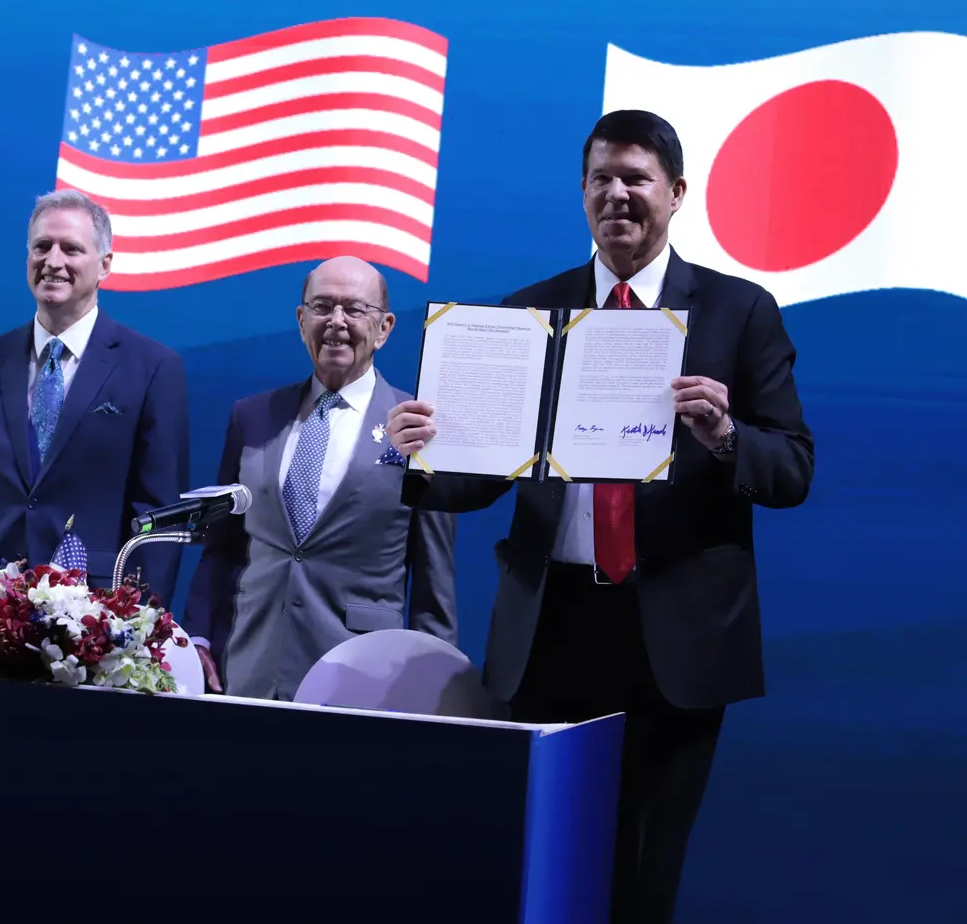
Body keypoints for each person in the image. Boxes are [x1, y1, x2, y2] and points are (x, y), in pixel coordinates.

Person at [386, 110, 813, 923]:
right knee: (541, 866)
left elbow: (792, 468)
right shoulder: (529, 312)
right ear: (582, 193)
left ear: (676, 193)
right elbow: (477, 481)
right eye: (601, 180)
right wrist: (420, 454)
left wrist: (726, 436)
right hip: (549, 628)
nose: (617, 194)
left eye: (636, 179)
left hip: (674, 635)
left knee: (644, 875)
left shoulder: (738, 310)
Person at [184, 256, 457, 700]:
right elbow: (223, 546)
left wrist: (434, 683)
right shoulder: (251, 417)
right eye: (322, 306)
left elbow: (434, 579)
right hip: (249, 669)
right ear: (301, 320)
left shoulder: (416, 429)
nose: (336, 321)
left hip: (364, 679)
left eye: (354, 309)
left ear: (384, 328)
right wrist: (198, 634)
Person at [0, 189, 189, 602]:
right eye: (42, 247)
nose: (53, 261)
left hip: (95, 612)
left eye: (71, 249)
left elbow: (158, 518)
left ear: (105, 264)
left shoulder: (152, 368)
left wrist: (138, 618)